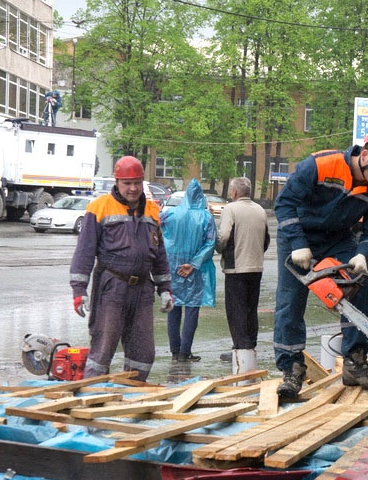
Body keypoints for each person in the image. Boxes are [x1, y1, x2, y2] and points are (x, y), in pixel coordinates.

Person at [273, 128, 368, 398]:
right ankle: (291, 369)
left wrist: (362, 255)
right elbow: (284, 203)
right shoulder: (321, 164)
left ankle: (355, 362)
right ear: (366, 155)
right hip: (298, 235)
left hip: (338, 238)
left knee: (361, 287)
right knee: (290, 302)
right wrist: (299, 243)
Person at [69, 155, 174, 381]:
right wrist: (79, 290)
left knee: (143, 353)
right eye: (127, 183)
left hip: (143, 289)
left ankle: (131, 395)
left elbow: (159, 254)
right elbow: (84, 252)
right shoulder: (99, 208)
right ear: (117, 182)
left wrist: (165, 288)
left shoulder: (152, 211)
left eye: (137, 182)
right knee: (103, 349)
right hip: (111, 287)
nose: (133, 188)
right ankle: (92, 398)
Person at [216, 177, 269, 374]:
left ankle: (240, 349)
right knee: (250, 308)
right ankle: (250, 346)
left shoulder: (231, 209)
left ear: (235, 193)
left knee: (235, 310)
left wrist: (219, 249)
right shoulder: (260, 210)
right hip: (256, 266)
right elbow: (266, 239)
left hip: (236, 267)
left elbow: (224, 236)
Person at [161, 178, 217, 362]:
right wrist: (193, 264)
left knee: (174, 308)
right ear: (201, 197)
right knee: (192, 310)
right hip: (195, 271)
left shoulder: (171, 214)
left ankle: (175, 351)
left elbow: (155, 228)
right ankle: (185, 351)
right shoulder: (206, 217)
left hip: (174, 267)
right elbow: (210, 243)